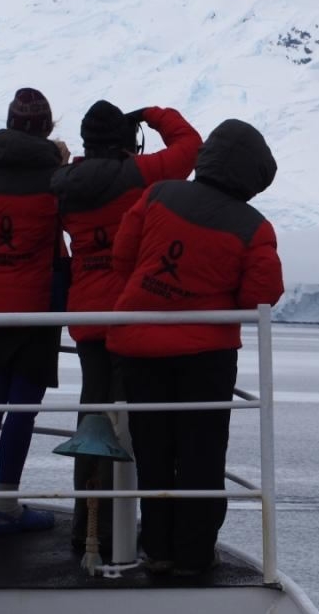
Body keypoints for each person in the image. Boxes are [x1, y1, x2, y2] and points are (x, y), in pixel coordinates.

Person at [106, 119, 284, 575]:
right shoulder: (254, 227)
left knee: (154, 450)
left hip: (139, 345)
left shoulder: (159, 194)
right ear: (254, 175)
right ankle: (194, 553)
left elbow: (123, 255)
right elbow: (259, 295)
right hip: (205, 356)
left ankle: (159, 549)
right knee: (202, 454)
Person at [50, 100, 200, 553]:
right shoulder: (141, 175)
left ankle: (87, 524)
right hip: (130, 314)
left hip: (87, 316)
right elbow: (192, 146)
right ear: (123, 138)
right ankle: (116, 531)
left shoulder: (63, 185)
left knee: (92, 419)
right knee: (129, 424)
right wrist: (153, 113)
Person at [0, 88, 68, 533]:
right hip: (37, 302)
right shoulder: (55, 179)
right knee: (23, 404)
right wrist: (61, 165)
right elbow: (67, 220)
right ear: (46, 127)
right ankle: (7, 503)